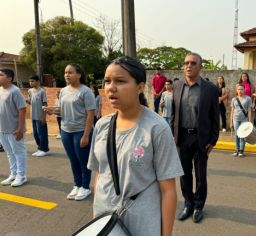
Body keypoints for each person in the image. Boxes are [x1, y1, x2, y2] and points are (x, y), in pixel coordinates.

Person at [88, 56, 183, 236]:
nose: (111, 88)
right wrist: (97, 217)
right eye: (107, 81)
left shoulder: (157, 128)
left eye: (120, 81)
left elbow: (168, 190)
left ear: (140, 87)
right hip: (105, 218)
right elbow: (100, 174)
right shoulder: (101, 125)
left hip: (142, 222)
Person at [172, 52, 219, 223]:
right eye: (186, 63)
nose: (188, 66)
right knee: (184, 174)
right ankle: (188, 204)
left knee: (200, 175)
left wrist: (213, 141)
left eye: (193, 63)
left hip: (201, 138)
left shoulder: (210, 89)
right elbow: (173, 115)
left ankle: (199, 206)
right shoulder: (177, 87)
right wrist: (172, 137)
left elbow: (215, 118)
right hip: (182, 137)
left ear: (200, 66)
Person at [45, 63, 95, 201]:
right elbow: (61, 109)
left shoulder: (85, 92)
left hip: (81, 131)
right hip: (66, 131)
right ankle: (77, 185)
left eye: (70, 72)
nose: (67, 75)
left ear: (79, 75)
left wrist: (86, 135)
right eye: (65, 72)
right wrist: (52, 110)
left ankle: (85, 187)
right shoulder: (63, 91)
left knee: (83, 161)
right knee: (73, 160)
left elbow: (91, 114)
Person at [0, 68, 28, 187]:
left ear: (9, 78)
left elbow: (22, 110)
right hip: (2, 128)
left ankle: (21, 176)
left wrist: (20, 129)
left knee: (18, 152)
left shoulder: (15, 91)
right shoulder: (0, 90)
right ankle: (14, 174)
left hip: (14, 129)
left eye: (1, 75)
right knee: (9, 153)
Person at [27, 75, 49, 157]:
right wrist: (27, 101)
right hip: (33, 116)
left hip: (40, 116)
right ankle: (40, 148)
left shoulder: (42, 91)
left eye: (32, 81)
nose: (30, 83)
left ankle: (45, 149)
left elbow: (45, 104)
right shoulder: (29, 91)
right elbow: (30, 101)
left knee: (42, 133)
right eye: (30, 81)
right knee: (35, 134)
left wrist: (44, 117)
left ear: (38, 81)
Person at [230, 84, 253, 157]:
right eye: (238, 89)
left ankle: (241, 150)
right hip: (235, 119)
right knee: (236, 134)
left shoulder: (248, 98)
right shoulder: (234, 99)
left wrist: (250, 121)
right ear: (236, 90)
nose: (240, 91)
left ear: (244, 90)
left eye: (241, 89)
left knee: (242, 134)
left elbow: (249, 110)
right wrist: (231, 121)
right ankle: (236, 149)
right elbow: (232, 110)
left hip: (244, 119)